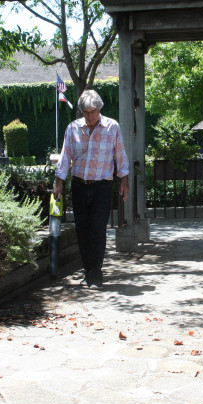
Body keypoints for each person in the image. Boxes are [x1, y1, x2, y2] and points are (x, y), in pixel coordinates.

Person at [53, 89, 129, 290]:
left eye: (92, 111)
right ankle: (88, 272)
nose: (89, 116)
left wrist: (124, 180)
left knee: (97, 230)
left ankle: (95, 274)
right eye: (85, 112)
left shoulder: (112, 127)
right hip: (79, 185)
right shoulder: (73, 129)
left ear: (99, 109)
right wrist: (59, 181)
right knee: (83, 231)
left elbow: (120, 155)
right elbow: (65, 156)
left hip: (102, 187)